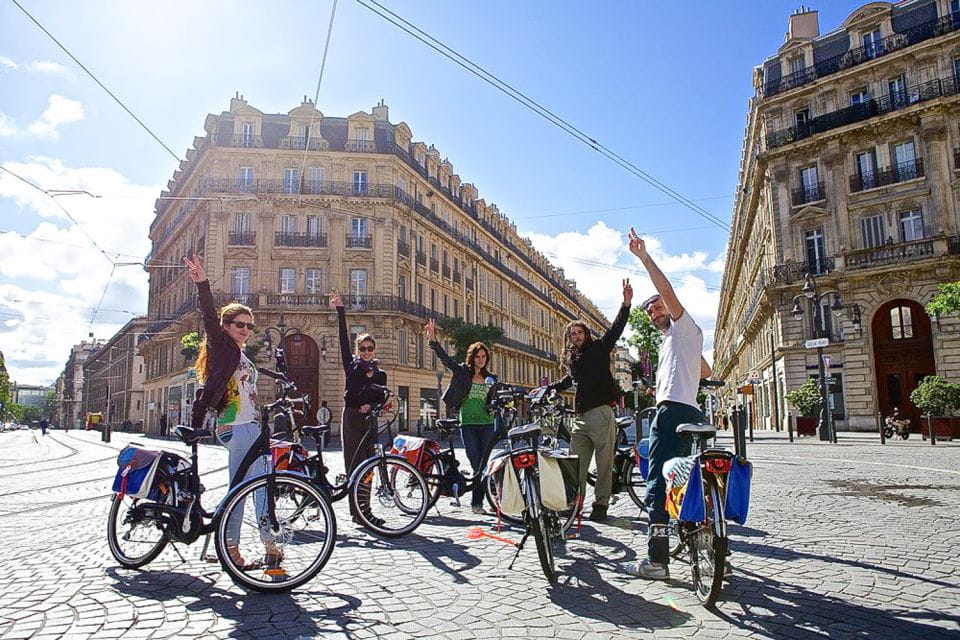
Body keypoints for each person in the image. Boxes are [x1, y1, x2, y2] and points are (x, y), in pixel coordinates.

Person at [624, 229, 712, 580]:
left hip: (671, 413)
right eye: (649, 311)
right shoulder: (679, 340)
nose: (654, 312)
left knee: (657, 482)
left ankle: (656, 560)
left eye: (658, 306)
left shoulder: (682, 326)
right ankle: (710, 542)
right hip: (691, 411)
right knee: (689, 479)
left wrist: (644, 258)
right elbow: (706, 370)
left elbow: (667, 291)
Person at [183, 253, 281, 571]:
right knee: (243, 488)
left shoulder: (239, 353)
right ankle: (233, 549)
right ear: (226, 327)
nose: (246, 330)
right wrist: (203, 284)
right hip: (235, 426)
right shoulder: (222, 345)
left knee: (260, 484)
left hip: (248, 425)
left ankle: (269, 544)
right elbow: (209, 317)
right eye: (240, 325)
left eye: (250, 326)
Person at [546, 279, 633, 523]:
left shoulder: (599, 348)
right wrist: (550, 388)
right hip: (581, 417)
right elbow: (569, 380)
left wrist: (625, 304)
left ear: (586, 333)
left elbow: (615, 329)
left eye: (579, 332)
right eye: (572, 334)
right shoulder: (574, 358)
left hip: (602, 413)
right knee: (576, 465)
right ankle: (575, 504)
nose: (576, 336)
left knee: (604, 465)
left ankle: (600, 505)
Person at [425, 318, 498, 515]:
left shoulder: (491, 378)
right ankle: (480, 502)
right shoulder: (463, 372)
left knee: (484, 465)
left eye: (483, 356)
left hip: (487, 424)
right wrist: (433, 340)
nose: (480, 359)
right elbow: (445, 359)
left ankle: (479, 503)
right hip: (468, 425)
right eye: (477, 356)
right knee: (476, 463)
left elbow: (494, 400)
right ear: (472, 358)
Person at [330, 290, 388, 526]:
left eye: (369, 348)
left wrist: (374, 405)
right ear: (357, 350)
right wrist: (340, 310)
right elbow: (343, 339)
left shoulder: (381, 374)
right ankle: (357, 513)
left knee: (370, 464)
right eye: (362, 348)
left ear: (374, 350)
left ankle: (366, 510)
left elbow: (381, 398)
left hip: (370, 421)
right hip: (352, 418)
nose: (366, 352)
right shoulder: (351, 366)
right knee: (354, 465)